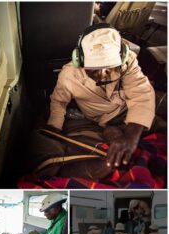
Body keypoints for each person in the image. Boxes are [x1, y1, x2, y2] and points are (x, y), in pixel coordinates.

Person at [47, 23, 155, 168]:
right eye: (95, 68)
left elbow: (141, 92)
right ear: (80, 60)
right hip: (103, 119)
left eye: (109, 66)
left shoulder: (127, 61)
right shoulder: (68, 75)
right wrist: (54, 129)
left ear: (121, 56)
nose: (103, 75)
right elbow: (58, 102)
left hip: (127, 108)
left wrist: (131, 136)